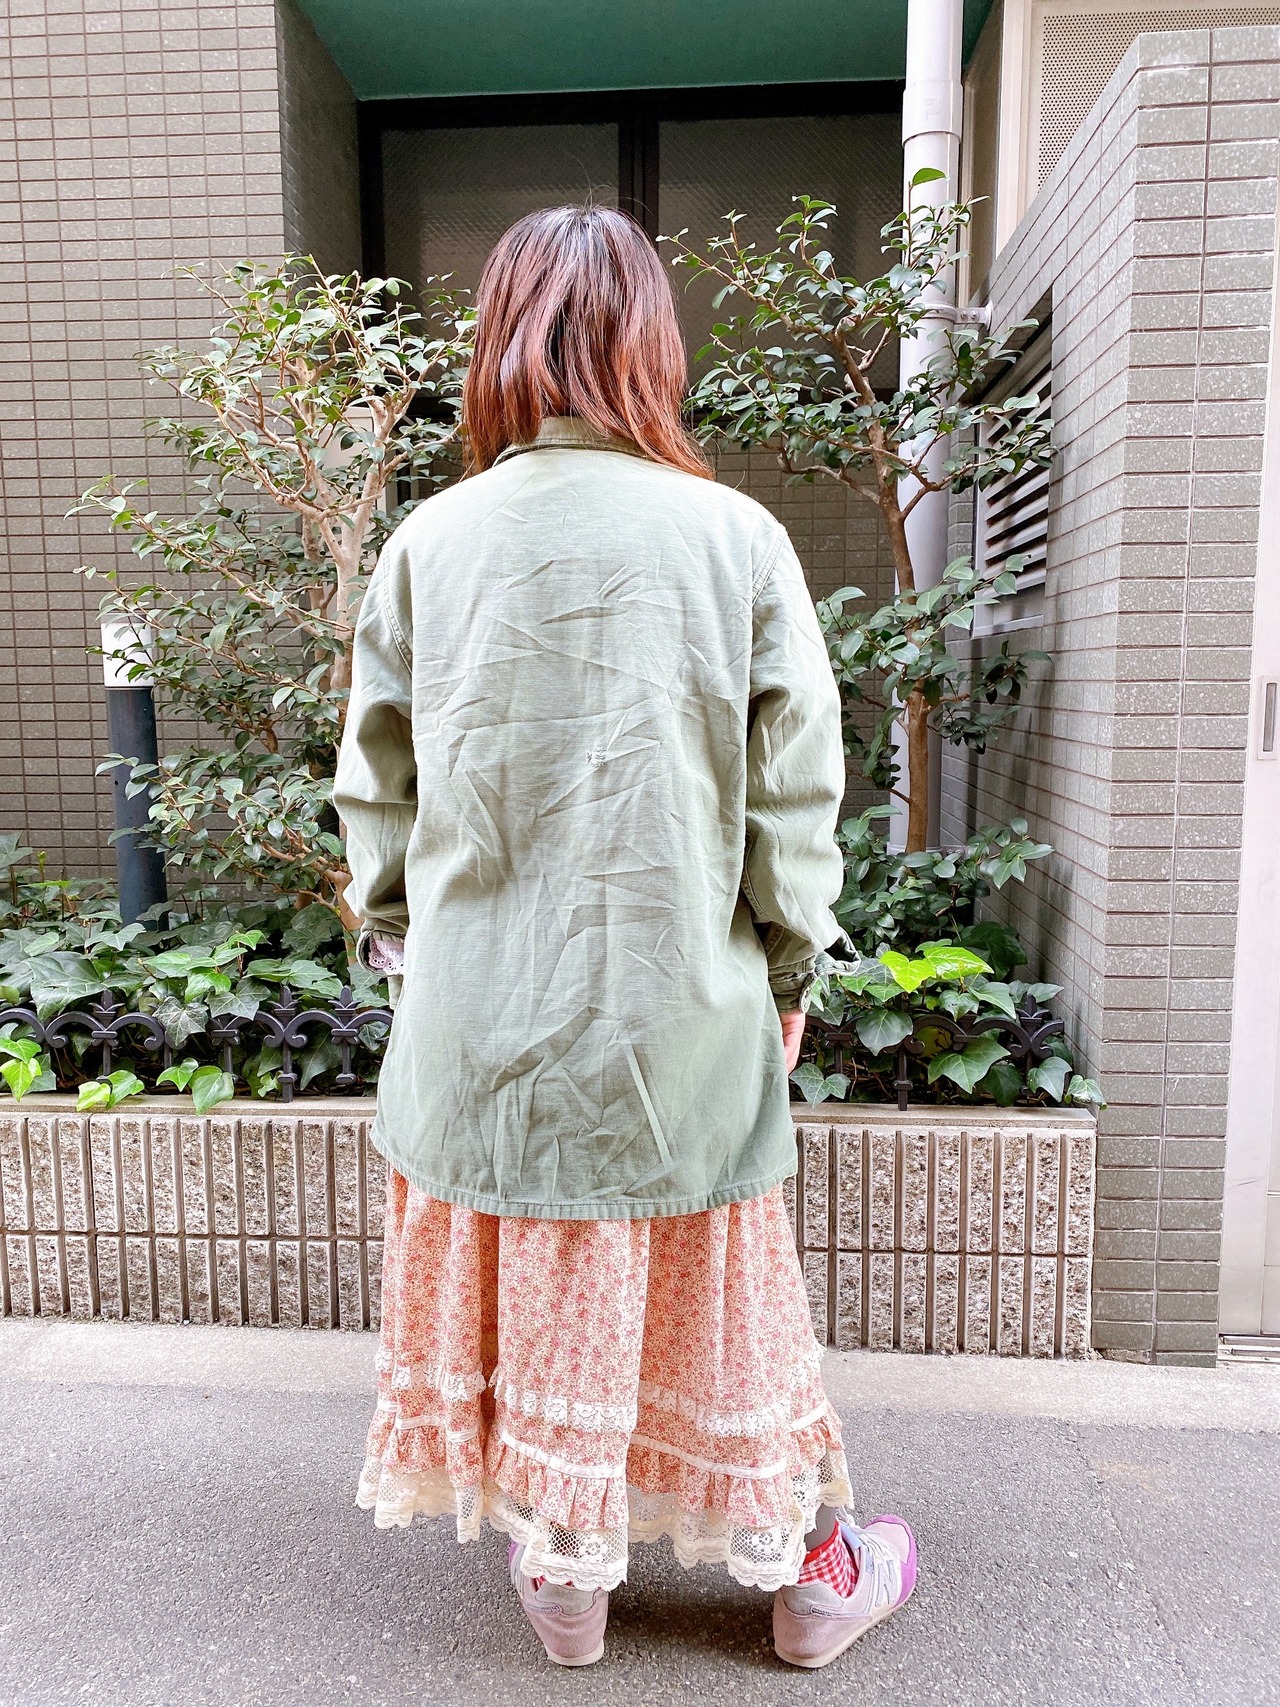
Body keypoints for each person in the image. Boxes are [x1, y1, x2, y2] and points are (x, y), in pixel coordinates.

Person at [334, 202, 917, 1671]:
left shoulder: (428, 543)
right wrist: (789, 963)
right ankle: (810, 1581)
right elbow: (795, 793)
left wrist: (405, 946)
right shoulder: (735, 538)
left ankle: (564, 1572)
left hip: (483, 1020)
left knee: (538, 1275)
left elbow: (377, 789)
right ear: (652, 348)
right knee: (725, 1304)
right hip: (681, 1018)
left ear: (500, 343)